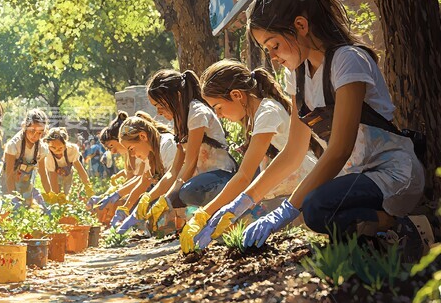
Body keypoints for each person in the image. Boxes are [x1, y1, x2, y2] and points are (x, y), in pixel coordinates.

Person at [224, 0, 426, 259]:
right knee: (317, 209)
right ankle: (375, 243)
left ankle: (407, 226)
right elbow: (293, 153)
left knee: (316, 206)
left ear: (300, 26)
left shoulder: (347, 60)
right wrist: (243, 202)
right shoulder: (297, 76)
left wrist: (285, 210)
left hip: (392, 173)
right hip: (356, 178)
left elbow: (340, 149)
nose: (272, 57)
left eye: (274, 45)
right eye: (266, 50)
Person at [179, 60, 318, 252]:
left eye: (218, 107)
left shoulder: (267, 112)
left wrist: (204, 214)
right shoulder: (256, 115)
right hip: (283, 192)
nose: (218, 115)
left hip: (304, 189)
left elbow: (244, 176)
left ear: (236, 95)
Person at [140, 69, 237, 235]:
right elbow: (174, 170)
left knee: (186, 191)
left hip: (222, 176)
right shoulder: (181, 121)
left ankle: (227, 217)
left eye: (159, 105)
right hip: (205, 180)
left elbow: (190, 163)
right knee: (179, 194)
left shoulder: (196, 112)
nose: (158, 112)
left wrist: (167, 199)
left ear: (176, 96)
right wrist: (153, 198)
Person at [113, 112, 178, 233]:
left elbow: (173, 179)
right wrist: (124, 209)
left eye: (131, 149)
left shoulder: (167, 145)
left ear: (143, 136)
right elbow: (144, 181)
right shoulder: (151, 154)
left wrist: (144, 203)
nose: (132, 155)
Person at [0, 109, 51, 208]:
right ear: (25, 126)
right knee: (9, 210)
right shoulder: (14, 145)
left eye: (40, 133)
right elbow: (9, 174)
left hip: (25, 184)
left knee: (30, 208)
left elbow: (43, 174)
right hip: (8, 183)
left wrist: (51, 195)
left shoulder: (41, 149)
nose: (35, 136)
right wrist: (12, 197)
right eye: (32, 131)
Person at [42, 127, 92, 198]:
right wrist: (56, 197)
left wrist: (87, 186)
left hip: (68, 172)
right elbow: (53, 177)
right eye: (53, 147)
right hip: (53, 173)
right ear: (48, 145)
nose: (57, 151)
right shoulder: (48, 154)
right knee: (56, 193)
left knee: (68, 193)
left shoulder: (72, 150)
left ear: (65, 145)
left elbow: (80, 169)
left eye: (60, 148)